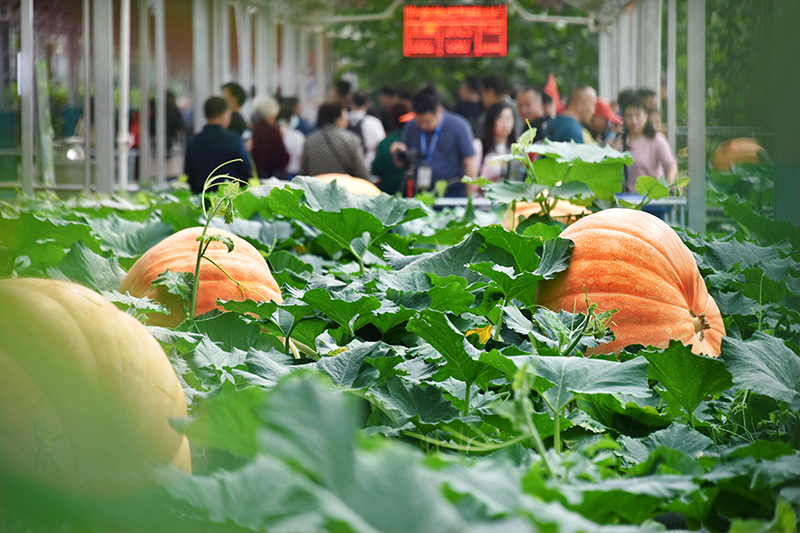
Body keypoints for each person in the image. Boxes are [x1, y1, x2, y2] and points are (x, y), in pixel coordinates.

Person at [391, 87, 478, 197]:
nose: (423, 126)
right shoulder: (411, 126)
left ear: (439, 111)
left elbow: (469, 161)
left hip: (452, 194)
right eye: (419, 121)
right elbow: (401, 164)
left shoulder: (459, 126)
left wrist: (470, 199)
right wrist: (398, 153)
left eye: (427, 122)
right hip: (420, 193)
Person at [184, 96, 252, 194]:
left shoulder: (193, 142)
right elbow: (246, 170)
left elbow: (188, 173)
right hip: (229, 200)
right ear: (223, 114)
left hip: (201, 199)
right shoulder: (234, 140)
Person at [615, 96, 677, 193]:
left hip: (652, 199)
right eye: (629, 116)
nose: (634, 121)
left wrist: (670, 181)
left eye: (638, 115)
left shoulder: (656, 140)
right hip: (627, 199)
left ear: (646, 116)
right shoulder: (619, 141)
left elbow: (670, 164)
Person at [300, 101, 370, 180]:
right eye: (345, 114)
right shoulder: (351, 139)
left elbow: (303, 172)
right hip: (344, 189)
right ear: (338, 118)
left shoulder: (309, 140)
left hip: (316, 189)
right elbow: (361, 172)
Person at [371, 101, 413, 195]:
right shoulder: (416, 139)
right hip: (411, 194)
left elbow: (375, 169)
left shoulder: (385, 142)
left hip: (388, 195)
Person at [474, 101, 520, 185]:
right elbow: (473, 180)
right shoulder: (479, 146)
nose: (505, 123)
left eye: (509, 118)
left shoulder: (519, 146)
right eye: (500, 118)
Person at [250, 95, 290, 180]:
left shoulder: (254, 129)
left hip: (257, 175)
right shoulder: (273, 131)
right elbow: (282, 157)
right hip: (272, 177)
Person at [348, 90, 386, 169]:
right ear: (367, 103)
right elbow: (381, 145)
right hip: (369, 166)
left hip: (347, 168)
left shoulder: (343, 120)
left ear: (351, 102)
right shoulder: (373, 122)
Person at [276, 101, 305, 180]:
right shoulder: (298, 136)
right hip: (293, 172)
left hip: (278, 174)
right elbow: (301, 155)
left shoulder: (273, 134)